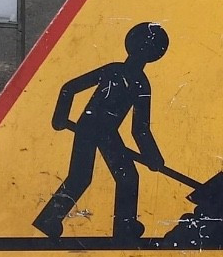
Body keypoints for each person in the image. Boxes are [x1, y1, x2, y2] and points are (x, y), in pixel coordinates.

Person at [32, 22, 169, 242]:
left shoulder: (141, 84)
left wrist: (153, 157)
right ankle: (51, 219)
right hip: (90, 126)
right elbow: (69, 87)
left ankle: (123, 227)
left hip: (103, 130)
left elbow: (140, 128)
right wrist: (59, 117)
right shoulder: (117, 72)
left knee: (121, 177)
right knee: (86, 176)